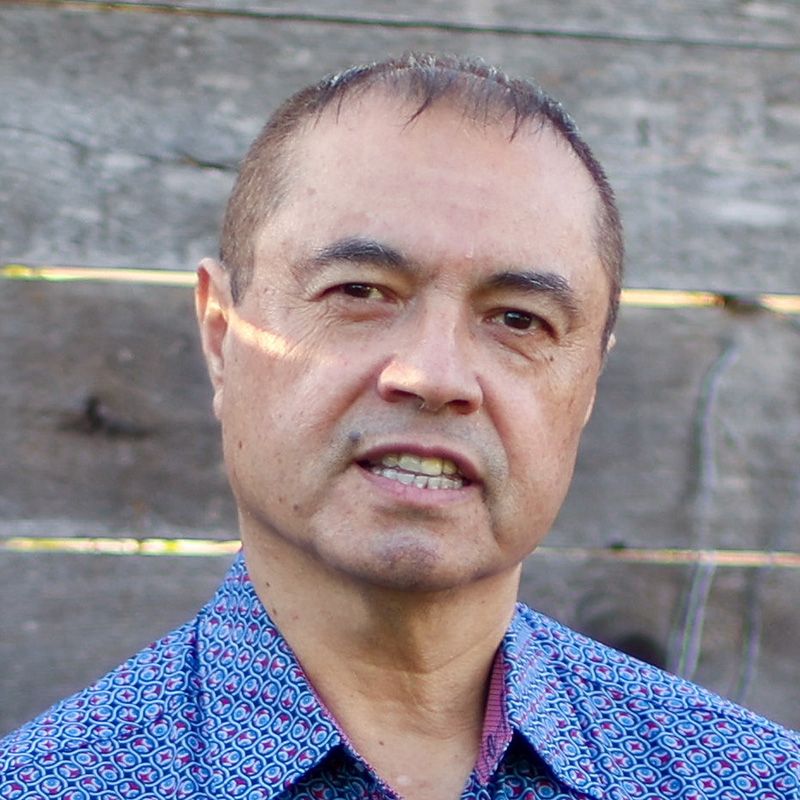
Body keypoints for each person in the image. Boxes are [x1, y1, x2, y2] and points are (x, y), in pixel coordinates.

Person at [2, 52, 798, 800]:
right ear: (222, 335)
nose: (434, 374)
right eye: (360, 291)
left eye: (519, 318)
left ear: (588, 382)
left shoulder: (747, 779)